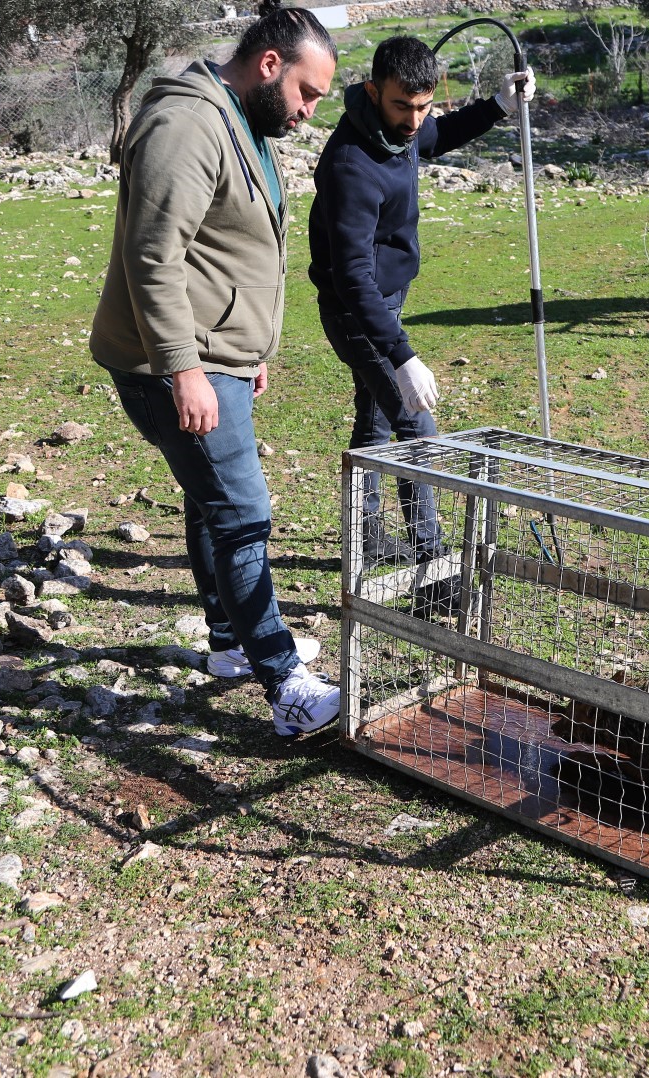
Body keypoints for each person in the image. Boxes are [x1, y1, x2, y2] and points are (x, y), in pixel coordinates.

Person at [89, 2, 342, 736]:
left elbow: (228, 246)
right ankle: (286, 686)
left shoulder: (243, 123)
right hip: (172, 362)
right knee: (242, 513)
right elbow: (153, 256)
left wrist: (246, 352)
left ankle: (230, 645)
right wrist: (186, 369)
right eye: (306, 93)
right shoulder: (188, 125)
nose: (308, 112)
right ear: (270, 66)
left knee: (210, 501)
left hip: (216, 357)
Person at [308, 36, 536, 576]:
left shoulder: (401, 131)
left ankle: (363, 538)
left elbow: (438, 134)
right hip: (356, 310)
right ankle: (431, 558)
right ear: (372, 91)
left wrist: (498, 106)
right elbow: (354, 278)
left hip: (385, 300)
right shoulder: (350, 164)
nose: (413, 120)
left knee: (375, 427)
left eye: (422, 105)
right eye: (401, 106)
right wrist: (403, 355)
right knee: (415, 424)